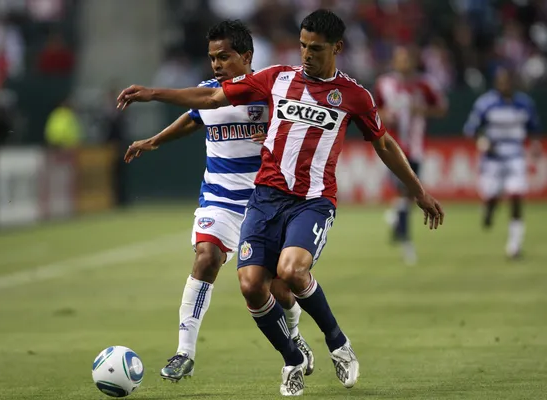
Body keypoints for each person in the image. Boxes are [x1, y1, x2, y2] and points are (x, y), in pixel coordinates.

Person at [117, 9, 444, 396]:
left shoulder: (353, 96)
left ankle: (338, 344)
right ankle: (287, 358)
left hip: (310, 200)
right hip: (262, 197)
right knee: (251, 285)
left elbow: (384, 143)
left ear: (337, 48)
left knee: (288, 277)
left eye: (315, 48)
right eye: (303, 45)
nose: (306, 54)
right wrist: (153, 99)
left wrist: (417, 190)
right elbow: (207, 101)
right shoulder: (278, 79)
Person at [123, 20, 314, 382]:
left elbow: (299, 134)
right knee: (207, 257)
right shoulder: (208, 90)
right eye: (212, 58)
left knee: (278, 289)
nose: (216, 65)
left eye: (224, 57)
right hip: (219, 200)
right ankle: (184, 352)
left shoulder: (272, 92)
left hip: (265, 204)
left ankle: (294, 336)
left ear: (246, 56)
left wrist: (273, 133)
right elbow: (195, 118)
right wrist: (155, 141)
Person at [375, 45, 447, 265]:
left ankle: (397, 219)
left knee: (407, 196)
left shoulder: (425, 84)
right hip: (392, 148)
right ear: (394, 62)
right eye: (400, 58)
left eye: (407, 58)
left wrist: (422, 111)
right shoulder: (384, 84)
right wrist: (386, 115)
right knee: (404, 191)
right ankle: (407, 243)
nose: (404, 62)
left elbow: (441, 108)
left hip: (416, 147)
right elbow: (373, 110)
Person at [463, 67, 541, 259]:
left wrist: (535, 145)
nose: (505, 85)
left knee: (516, 196)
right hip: (493, 160)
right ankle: (489, 209)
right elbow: (471, 129)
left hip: (515, 156)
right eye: (502, 81)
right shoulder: (486, 104)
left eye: (508, 81)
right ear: (497, 83)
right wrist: (484, 143)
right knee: (492, 195)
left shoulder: (524, 103)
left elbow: (534, 128)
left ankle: (514, 246)